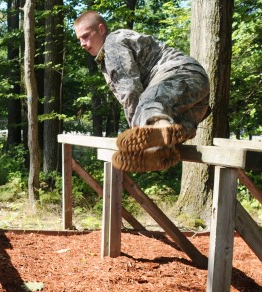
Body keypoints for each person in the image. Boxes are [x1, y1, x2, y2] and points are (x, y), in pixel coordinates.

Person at [73, 11, 211, 172]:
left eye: (86, 36)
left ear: (101, 29)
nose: (82, 43)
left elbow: (130, 90)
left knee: (149, 102)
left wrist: (136, 131)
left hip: (180, 74)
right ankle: (161, 153)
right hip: (195, 96)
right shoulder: (119, 42)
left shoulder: (112, 44)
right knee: (174, 130)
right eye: (79, 39)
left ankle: (158, 132)